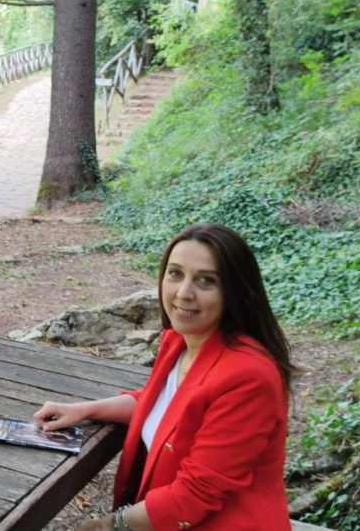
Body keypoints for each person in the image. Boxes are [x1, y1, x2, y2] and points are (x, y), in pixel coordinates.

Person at [34, 223, 298, 530]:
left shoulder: (248, 376)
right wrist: (84, 410)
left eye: (206, 281)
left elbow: (196, 494)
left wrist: (108, 525)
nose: (184, 293)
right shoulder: (180, 341)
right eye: (175, 274)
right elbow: (165, 406)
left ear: (234, 291)